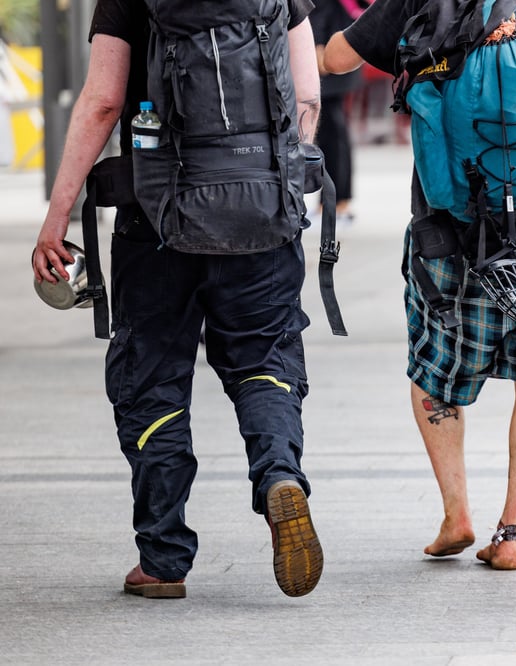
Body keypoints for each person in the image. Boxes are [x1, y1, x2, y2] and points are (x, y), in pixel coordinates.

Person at [31, 0, 324, 599]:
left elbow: (104, 102)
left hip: (155, 220)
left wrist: (57, 213)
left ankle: (163, 559)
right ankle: (278, 478)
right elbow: (307, 95)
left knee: (153, 377)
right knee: (264, 361)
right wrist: (273, 182)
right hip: (261, 215)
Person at [323, 0, 516, 570]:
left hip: (452, 230)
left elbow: (339, 57)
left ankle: (455, 514)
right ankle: (512, 534)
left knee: (434, 367)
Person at [311, 0, 362, 226]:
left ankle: (336, 202)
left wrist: (318, 42)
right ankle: (334, 201)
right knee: (333, 129)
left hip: (329, 49)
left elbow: (322, 8)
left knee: (332, 130)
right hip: (340, 43)